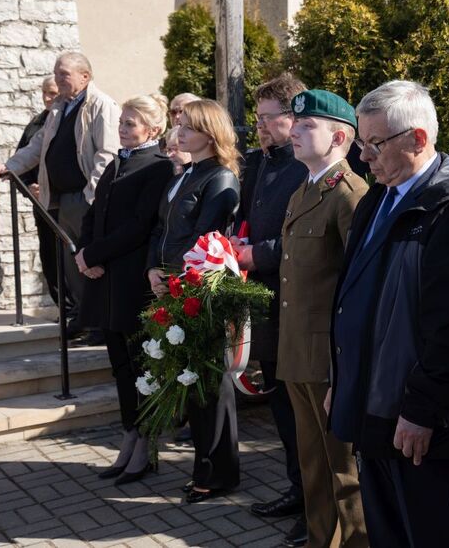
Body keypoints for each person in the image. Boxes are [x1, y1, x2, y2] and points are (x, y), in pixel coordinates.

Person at [327, 80, 449, 548]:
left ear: (418, 139)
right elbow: (356, 296)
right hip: (374, 408)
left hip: (419, 423)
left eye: (375, 143)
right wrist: (343, 381)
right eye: (362, 143)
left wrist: (421, 410)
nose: (363, 156)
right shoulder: (378, 198)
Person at [274, 89, 369, 548]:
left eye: (307, 125)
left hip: (329, 359)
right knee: (312, 466)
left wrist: (344, 368)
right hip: (297, 351)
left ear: (339, 137)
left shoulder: (350, 195)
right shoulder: (303, 191)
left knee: (344, 471)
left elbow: (358, 289)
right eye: (295, 123)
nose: (294, 130)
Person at [146, 99, 241, 503]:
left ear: (211, 133)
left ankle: (219, 474)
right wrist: (153, 269)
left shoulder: (219, 177)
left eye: (189, 126)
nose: (179, 132)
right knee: (193, 382)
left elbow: (206, 240)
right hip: (172, 285)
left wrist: (176, 280)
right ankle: (204, 467)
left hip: (199, 289)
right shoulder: (185, 173)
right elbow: (161, 229)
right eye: (179, 124)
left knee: (210, 383)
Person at [228, 74, 309, 543]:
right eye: (256, 118)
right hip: (263, 302)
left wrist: (256, 253)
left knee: (302, 412)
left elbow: (305, 239)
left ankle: (315, 502)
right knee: (281, 403)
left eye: (266, 118)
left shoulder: (305, 167)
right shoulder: (260, 162)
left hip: (294, 302)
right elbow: (247, 220)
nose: (258, 126)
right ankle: (297, 487)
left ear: (293, 117)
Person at [77, 95, 174, 485]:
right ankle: (129, 433)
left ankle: (147, 444)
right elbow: (93, 213)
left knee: (140, 365)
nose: (122, 128)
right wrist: (84, 253)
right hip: (105, 280)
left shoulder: (158, 167)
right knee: (119, 365)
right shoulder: (117, 162)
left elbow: (139, 225)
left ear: (153, 129)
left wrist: (95, 253)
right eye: (122, 121)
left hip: (132, 281)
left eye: (130, 123)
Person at [0, 52, 120, 346]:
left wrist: (92, 195)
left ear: (85, 76)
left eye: (64, 73)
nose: (58, 79)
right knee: (71, 264)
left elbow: (107, 154)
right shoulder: (59, 109)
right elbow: (37, 146)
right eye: (56, 73)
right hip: (62, 199)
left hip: (85, 199)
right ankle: (84, 319)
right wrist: (10, 166)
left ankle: (98, 325)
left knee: (88, 260)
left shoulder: (101, 105)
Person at [17, 76, 62, 307]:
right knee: (49, 258)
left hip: (65, 204)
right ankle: (63, 309)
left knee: (69, 258)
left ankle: (77, 313)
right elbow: (21, 159)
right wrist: (29, 187)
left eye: (53, 93)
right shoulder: (35, 124)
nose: (47, 98)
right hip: (41, 204)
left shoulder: (71, 121)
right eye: (45, 92)